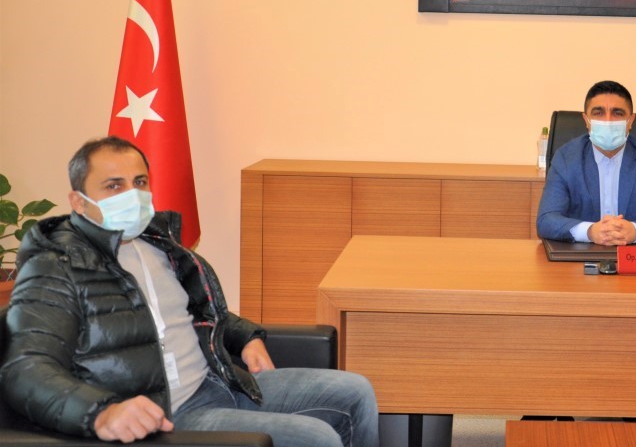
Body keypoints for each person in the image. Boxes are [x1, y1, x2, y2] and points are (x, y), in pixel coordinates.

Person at [0, 137, 378, 447]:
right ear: (78, 201)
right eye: (114, 186)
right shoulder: (55, 265)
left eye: (140, 182)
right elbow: (25, 369)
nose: (132, 194)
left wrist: (245, 336)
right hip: (171, 412)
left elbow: (191, 310)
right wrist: (101, 412)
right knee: (316, 438)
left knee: (355, 391)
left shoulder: (158, 244)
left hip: (218, 378)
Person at [537, 81, 636, 245]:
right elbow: (546, 220)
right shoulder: (566, 159)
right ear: (586, 120)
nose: (608, 121)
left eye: (617, 113)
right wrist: (590, 231)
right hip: (581, 256)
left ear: (630, 121)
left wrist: (634, 231)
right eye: (598, 113)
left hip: (632, 256)